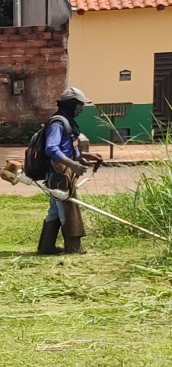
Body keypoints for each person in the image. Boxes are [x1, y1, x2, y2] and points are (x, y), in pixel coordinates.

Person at [39, 87, 105, 255]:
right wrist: (73, 164)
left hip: (64, 172)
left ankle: (46, 247)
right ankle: (74, 248)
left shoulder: (68, 122)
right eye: (80, 105)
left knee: (55, 210)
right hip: (59, 174)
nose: (82, 109)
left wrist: (85, 156)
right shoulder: (57, 123)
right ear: (71, 105)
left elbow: (67, 149)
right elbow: (51, 149)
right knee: (68, 209)